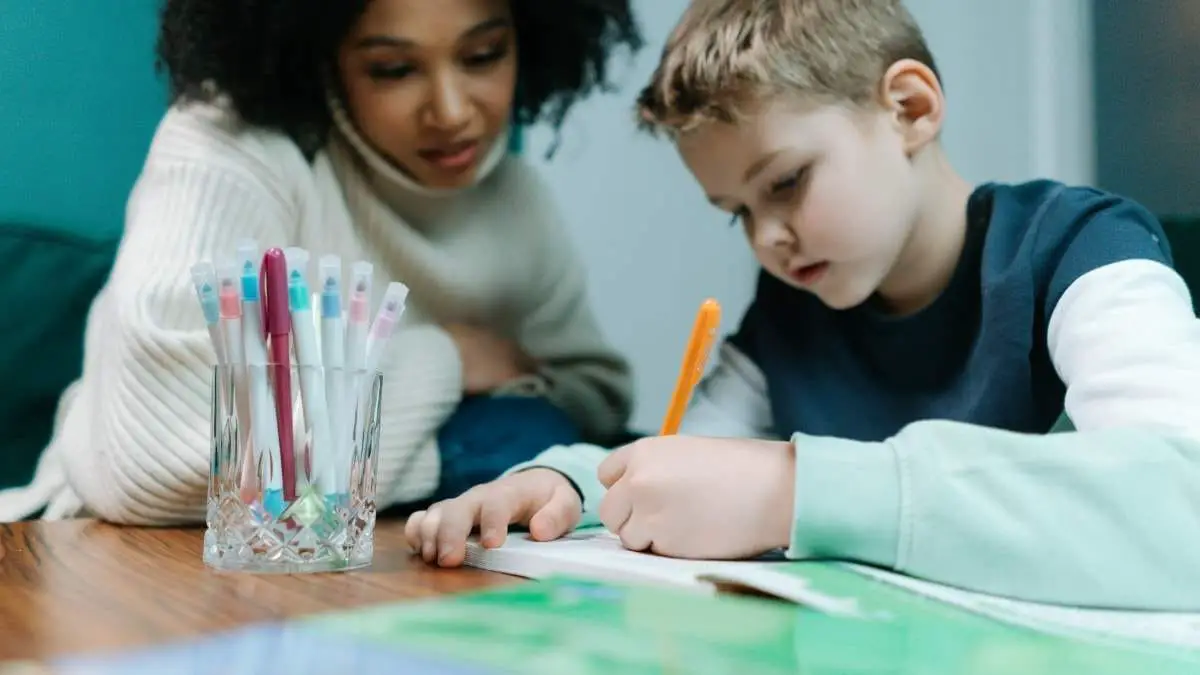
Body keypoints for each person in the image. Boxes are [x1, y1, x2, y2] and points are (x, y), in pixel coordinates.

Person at [405, 0, 1200, 610]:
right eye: (738, 211)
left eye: (786, 183)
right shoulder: (792, 310)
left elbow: (1184, 499)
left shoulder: (1081, 250)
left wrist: (790, 491)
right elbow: (688, 468)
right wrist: (571, 484)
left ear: (911, 109)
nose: (768, 240)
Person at [0, 0, 644, 524]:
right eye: (393, 69)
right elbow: (157, 467)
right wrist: (448, 360)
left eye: (483, 56)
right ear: (320, 56)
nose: (451, 111)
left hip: (385, 549)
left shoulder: (514, 195)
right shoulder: (227, 149)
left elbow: (593, 403)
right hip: (118, 559)